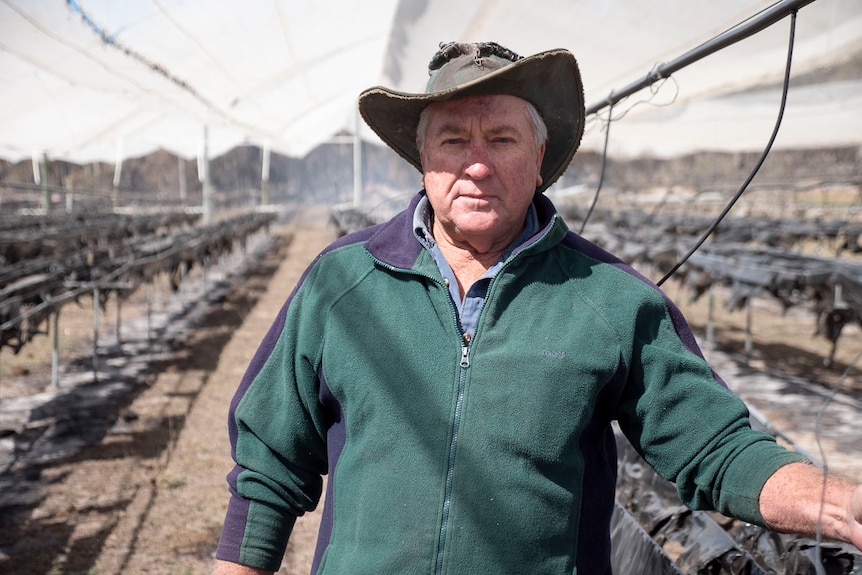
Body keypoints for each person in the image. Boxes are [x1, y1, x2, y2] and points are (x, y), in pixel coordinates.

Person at [213, 41, 862, 575]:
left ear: (540, 158)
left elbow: (715, 445)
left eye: (501, 139)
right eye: (452, 141)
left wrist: (842, 504)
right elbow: (269, 466)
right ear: (421, 162)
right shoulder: (343, 281)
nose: (476, 164)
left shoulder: (610, 298)